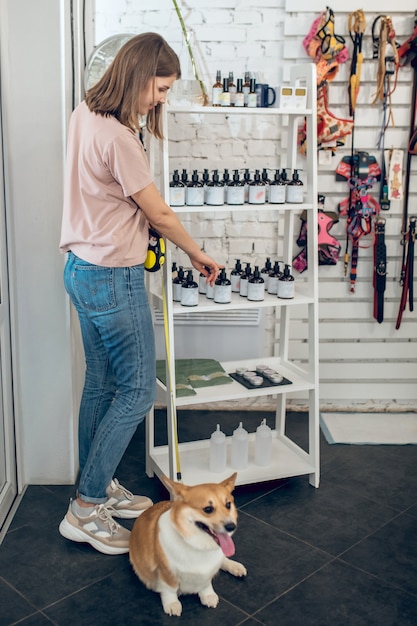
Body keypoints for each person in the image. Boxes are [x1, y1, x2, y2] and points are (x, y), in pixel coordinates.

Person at [58, 32, 221, 555]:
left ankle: (97, 488)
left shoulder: (86, 111)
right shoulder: (120, 139)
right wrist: (197, 252)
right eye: (162, 87)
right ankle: (84, 510)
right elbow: (160, 213)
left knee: (101, 384)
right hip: (113, 276)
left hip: (81, 268)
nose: (162, 99)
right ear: (139, 74)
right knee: (135, 391)